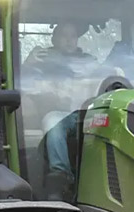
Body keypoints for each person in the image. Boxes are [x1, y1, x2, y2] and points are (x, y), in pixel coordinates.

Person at [24, 22, 96, 200]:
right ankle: (61, 176)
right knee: (53, 122)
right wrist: (28, 64)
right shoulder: (42, 60)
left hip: (87, 111)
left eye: (73, 36)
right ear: (54, 39)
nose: (69, 40)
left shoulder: (89, 61)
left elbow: (104, 76)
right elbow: (23, 83)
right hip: (60, 113)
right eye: (64, 35)